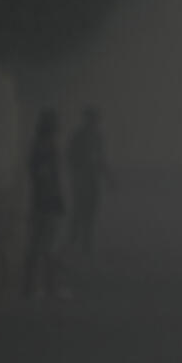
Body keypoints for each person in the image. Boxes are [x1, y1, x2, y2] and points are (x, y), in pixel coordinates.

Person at [22, 109, 68, 299]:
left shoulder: (39, 148)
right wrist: (56, 200)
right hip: (47, 204)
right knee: (48, 247)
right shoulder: (46, 150)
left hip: (40, 202)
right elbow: (47, 178)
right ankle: (46, 287)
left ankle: (36, 286)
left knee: (38, 245)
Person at [66, 106, 111, 255]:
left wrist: (108, 176)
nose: (95, 123)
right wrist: (78, 172)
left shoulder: (98, 137)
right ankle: (73, 241)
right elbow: (69, 158)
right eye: (92, 120)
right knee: (79, 211)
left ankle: (85, 243)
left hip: (92, 179)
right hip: (81, 179)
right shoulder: (78, 137)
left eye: (96, 120)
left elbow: (101, 158)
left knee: (91, 210)